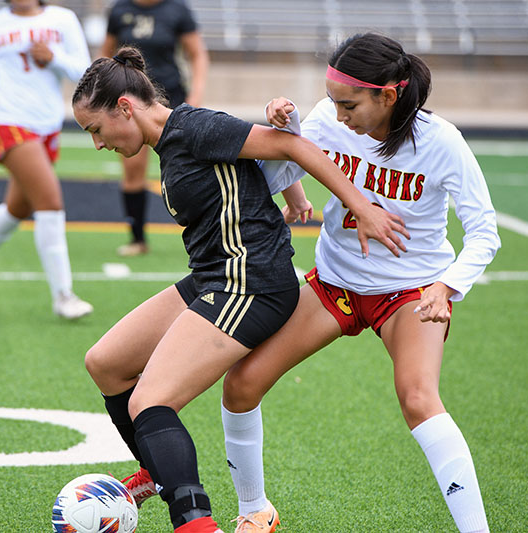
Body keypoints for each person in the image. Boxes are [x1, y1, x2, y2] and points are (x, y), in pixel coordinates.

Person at [72, 46, 408, 533]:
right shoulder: (171, 141)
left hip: (251, 282)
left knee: (151, 402)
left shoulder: (194, 127)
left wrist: (364, 207)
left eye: (96, 130)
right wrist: (292, 195)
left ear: (125, 107)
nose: (98, 144)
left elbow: (291, 144)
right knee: (106, 363)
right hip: (214, 276)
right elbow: (255, 161)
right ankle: (157, 470)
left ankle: (195, 523)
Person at [0, 0, 93, 319]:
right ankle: (63, 296)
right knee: (49, 200)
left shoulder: (63, 19)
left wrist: (53, 57)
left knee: (19, 207)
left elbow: (84, 71)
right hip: (7, 119)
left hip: (47, 124)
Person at [101, 0, 209, 256]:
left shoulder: (177, 9)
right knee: (133, 167)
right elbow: (104, 55)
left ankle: (204, 235)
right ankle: (137, 239)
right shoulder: (119, 9)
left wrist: (196, 93)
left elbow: (197, 53)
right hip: (128, 102)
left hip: (170, 98)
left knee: (187, 169)